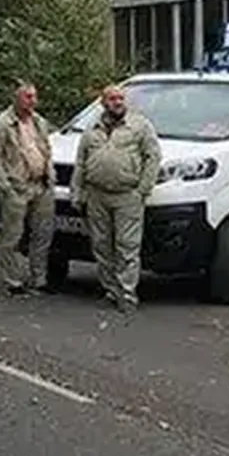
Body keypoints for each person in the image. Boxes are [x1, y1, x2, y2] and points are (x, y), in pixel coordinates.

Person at [75, 84, 161, 314]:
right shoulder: (92, 129)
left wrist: (142, 190)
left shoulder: (139, 126)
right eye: (112, 98)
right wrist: (77, 192)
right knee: (101, 246)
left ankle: (127, 293)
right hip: (97, 195)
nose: (118, 102)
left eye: (121, 98)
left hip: (127, 195)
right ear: (103, 103)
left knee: (127, 246)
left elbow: (153, 157)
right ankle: (110, 290)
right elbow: (81, 162)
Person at [0, 81, 55, 295]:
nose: (33, 101)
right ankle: (13, 281)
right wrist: (5, 187)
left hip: (41, 184)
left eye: (34, 96)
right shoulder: (2, 124)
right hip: (17, 187)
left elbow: (46, 149)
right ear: (16, 98)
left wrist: (50, 175)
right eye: (28, 97)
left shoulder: (39, 122)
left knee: (42, 234)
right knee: (12, 236)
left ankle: (39, 279)